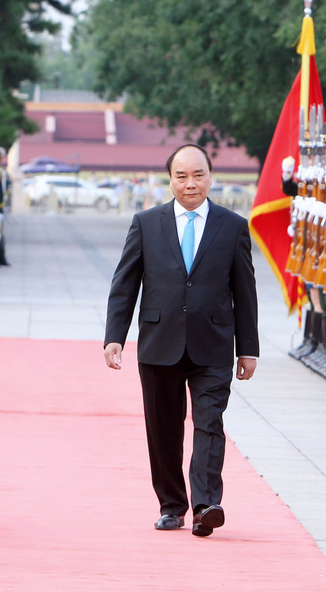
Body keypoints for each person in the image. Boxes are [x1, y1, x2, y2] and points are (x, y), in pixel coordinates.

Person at [104, 144, 259, 537]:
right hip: (159, 343)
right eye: (182, 176)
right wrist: (115, 337)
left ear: (211, 177)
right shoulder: (146, 223)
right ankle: (172, 506)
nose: (191, 183)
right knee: (164, 429)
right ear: (170, 180)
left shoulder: (233, 226)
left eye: (198, 175)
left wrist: (248, 348)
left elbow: (245, 291)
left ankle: (205, 506)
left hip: (213, 344)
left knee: (210, 424)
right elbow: (125, 284)